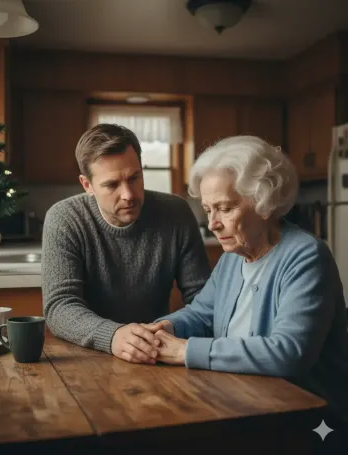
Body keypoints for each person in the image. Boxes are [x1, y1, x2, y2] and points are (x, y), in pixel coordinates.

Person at [145, 135, 348, 433]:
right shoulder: (234, 256)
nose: (213, 223)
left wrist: (184, 351)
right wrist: (162, 329)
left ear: (265, 203)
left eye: (225, 208)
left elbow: (288, 352)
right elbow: (202, 313)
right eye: (208, 208)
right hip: (245, 404)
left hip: (308, 424)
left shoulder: (306, 257)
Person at [41, 123, 211, 365]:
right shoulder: (65, 218)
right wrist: (113, 336)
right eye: (112, 185)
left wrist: (168, 327)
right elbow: (60, 307)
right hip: (87, 357)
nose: (129, 194)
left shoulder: (176, 213)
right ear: (87, 185)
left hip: (157, 351)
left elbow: (203, 298)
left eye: (135, 178)